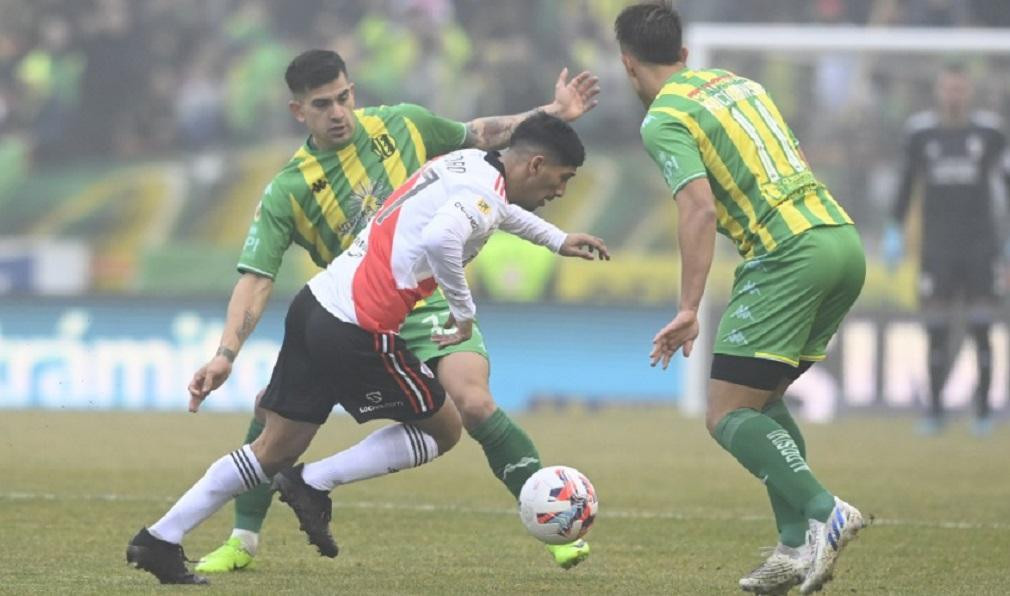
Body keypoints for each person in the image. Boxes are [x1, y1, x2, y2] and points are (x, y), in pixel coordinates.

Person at [126, 113, 610, 585]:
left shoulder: (472, 164)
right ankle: (313, 482)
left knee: (271, 449)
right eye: (562, 179)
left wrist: (557, 239)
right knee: (443, 427)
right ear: (535, 164)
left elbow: (494, 213)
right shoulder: (483, 190)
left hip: (316, 304)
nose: (561, 191)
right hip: (357, 326)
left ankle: (159, 539)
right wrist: (463, 314)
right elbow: (445, 239)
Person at [613, 4, 867, 594]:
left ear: (629, 65)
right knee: (761, 398)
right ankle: (792, 547)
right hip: (841, 240)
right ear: (683, 51)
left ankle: (825, 511)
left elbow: (698, 208)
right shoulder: (741, 85)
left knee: (725, 412)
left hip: (787, 254)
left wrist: (687, 307)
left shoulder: (663, 118)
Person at [885, 62, 1009, 437]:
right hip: (936, 248)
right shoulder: (921, 134)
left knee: (981, 327)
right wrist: (895, 228)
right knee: (936, 330)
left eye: (960, 89)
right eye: (948, 89)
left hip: (980, 246)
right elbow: (907, 183)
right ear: (939, 91)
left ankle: (984, 412)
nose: (954, 95)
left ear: (968, 92)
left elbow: (1005, 183)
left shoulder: (989, 133)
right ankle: (936, 412)